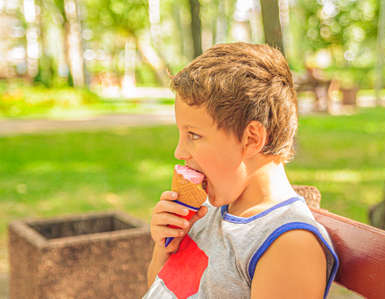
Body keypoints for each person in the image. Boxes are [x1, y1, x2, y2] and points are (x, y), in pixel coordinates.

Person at [144, 42, 339, 299]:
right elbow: (159, 289)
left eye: (194, 135)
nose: (179, 152)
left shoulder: (288, 244)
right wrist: (165, 247)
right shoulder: (207, 211)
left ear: (251, 139)